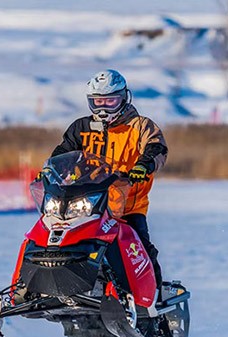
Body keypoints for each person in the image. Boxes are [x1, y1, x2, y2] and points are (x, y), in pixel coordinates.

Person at [49, 69, 168, 284]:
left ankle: (154, 302)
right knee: (49, 233)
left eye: (110, 101)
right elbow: (64, 152)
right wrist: (51, 170)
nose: (103, 108)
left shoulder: (140, 127)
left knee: (140, 247)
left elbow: (156, 148)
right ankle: (29, 286)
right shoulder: (81, 128)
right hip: (87, 204)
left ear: (124, 98)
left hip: (127, 206)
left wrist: (144, 165)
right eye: (97, 102)